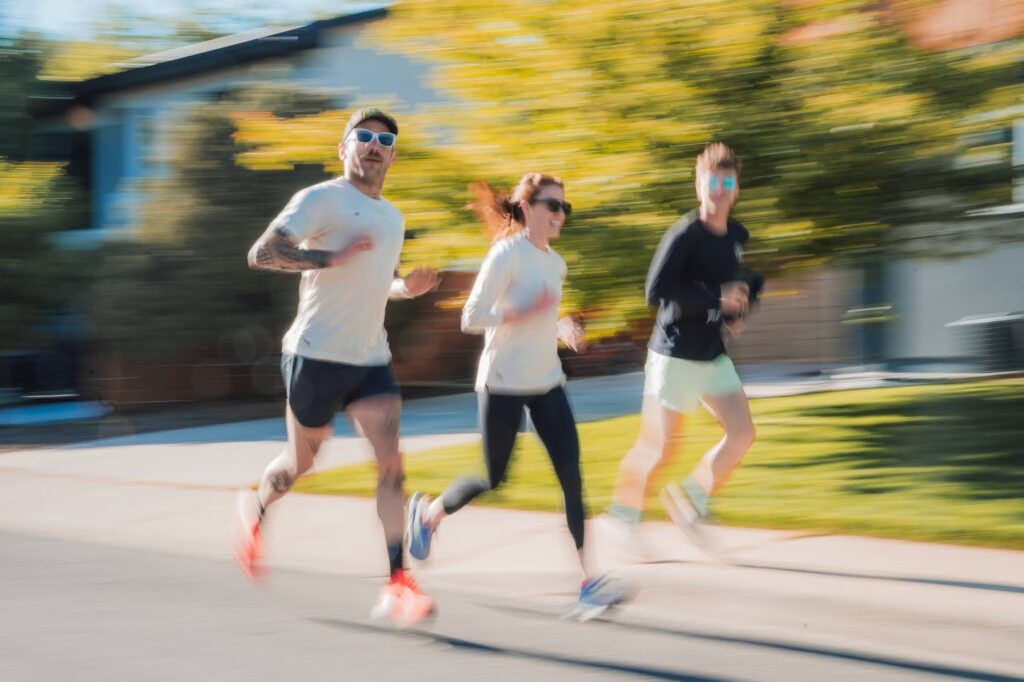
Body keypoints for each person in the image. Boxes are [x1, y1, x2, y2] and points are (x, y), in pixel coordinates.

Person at [235, 108, 440, 628]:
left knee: (391, 465)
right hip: (314, 355)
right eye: (363, 137)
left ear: (393, 155)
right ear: (343, 149)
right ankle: (256, 508)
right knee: (298, 466)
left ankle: (397, 582)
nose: (374, 145)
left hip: (370, 357)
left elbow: (379, 280)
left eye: (384, 140)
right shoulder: (320, 199)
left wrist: (404, 288)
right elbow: (262, 254)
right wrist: (330, 258)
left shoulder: (392, 218)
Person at [404, 173, 628, 620]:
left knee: (572, 476)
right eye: (553, 205)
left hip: (546, 381)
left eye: (566, 207)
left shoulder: (556, 263)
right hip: (502, 381)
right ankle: (428, 514)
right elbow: (471, 317)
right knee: (495, 477)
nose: (560, 214)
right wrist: (517, 312)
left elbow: (542, 319)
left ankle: (588, 583)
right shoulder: (506, 253)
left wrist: (561, 327)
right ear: (527, 208)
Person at [607, 142, 759, 545]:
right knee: (659, 448)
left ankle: (690, 499)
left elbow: (730, 289)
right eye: (713, 180)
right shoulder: (684, 234)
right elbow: (656, 290)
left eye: (728, 181)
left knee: (742, 433)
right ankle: (622, 519)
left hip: (711, 353)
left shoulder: (737, 236)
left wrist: (734, 313)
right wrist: (717, 297)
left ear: (736, 188)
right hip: (674, 353)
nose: (720, 188)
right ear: (699, 185)